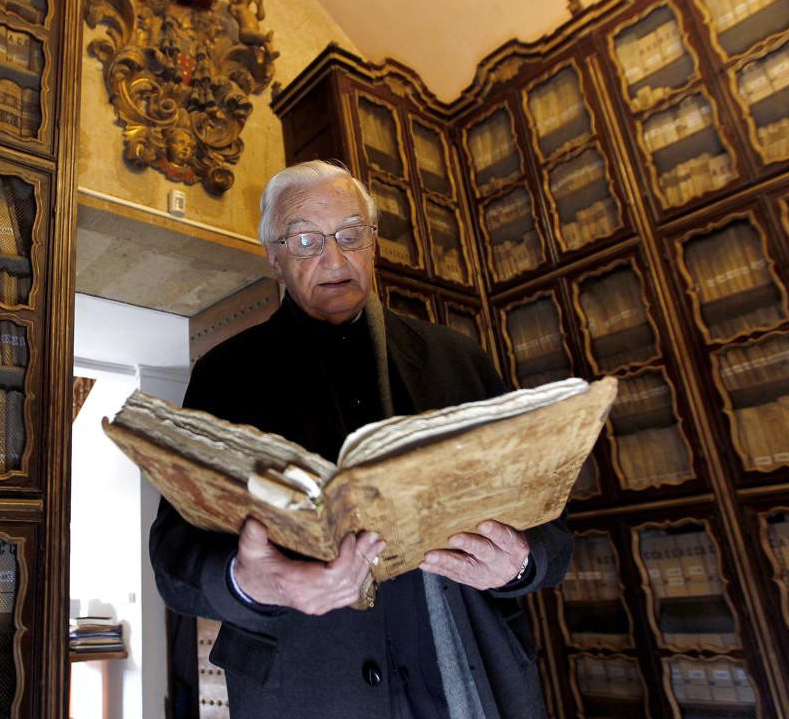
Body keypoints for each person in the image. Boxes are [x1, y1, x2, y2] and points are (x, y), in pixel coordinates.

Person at [148, 160, 572, 718]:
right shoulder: (226, 375)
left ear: (372, 245)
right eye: (306, 239)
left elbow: (549, 526)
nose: (335, 258)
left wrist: (518, 564)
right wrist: (250, 581)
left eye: (351, 235)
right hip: (305, 687)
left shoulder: (457, 358)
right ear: (274, 257)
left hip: (471, 672)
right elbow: (173, 559)